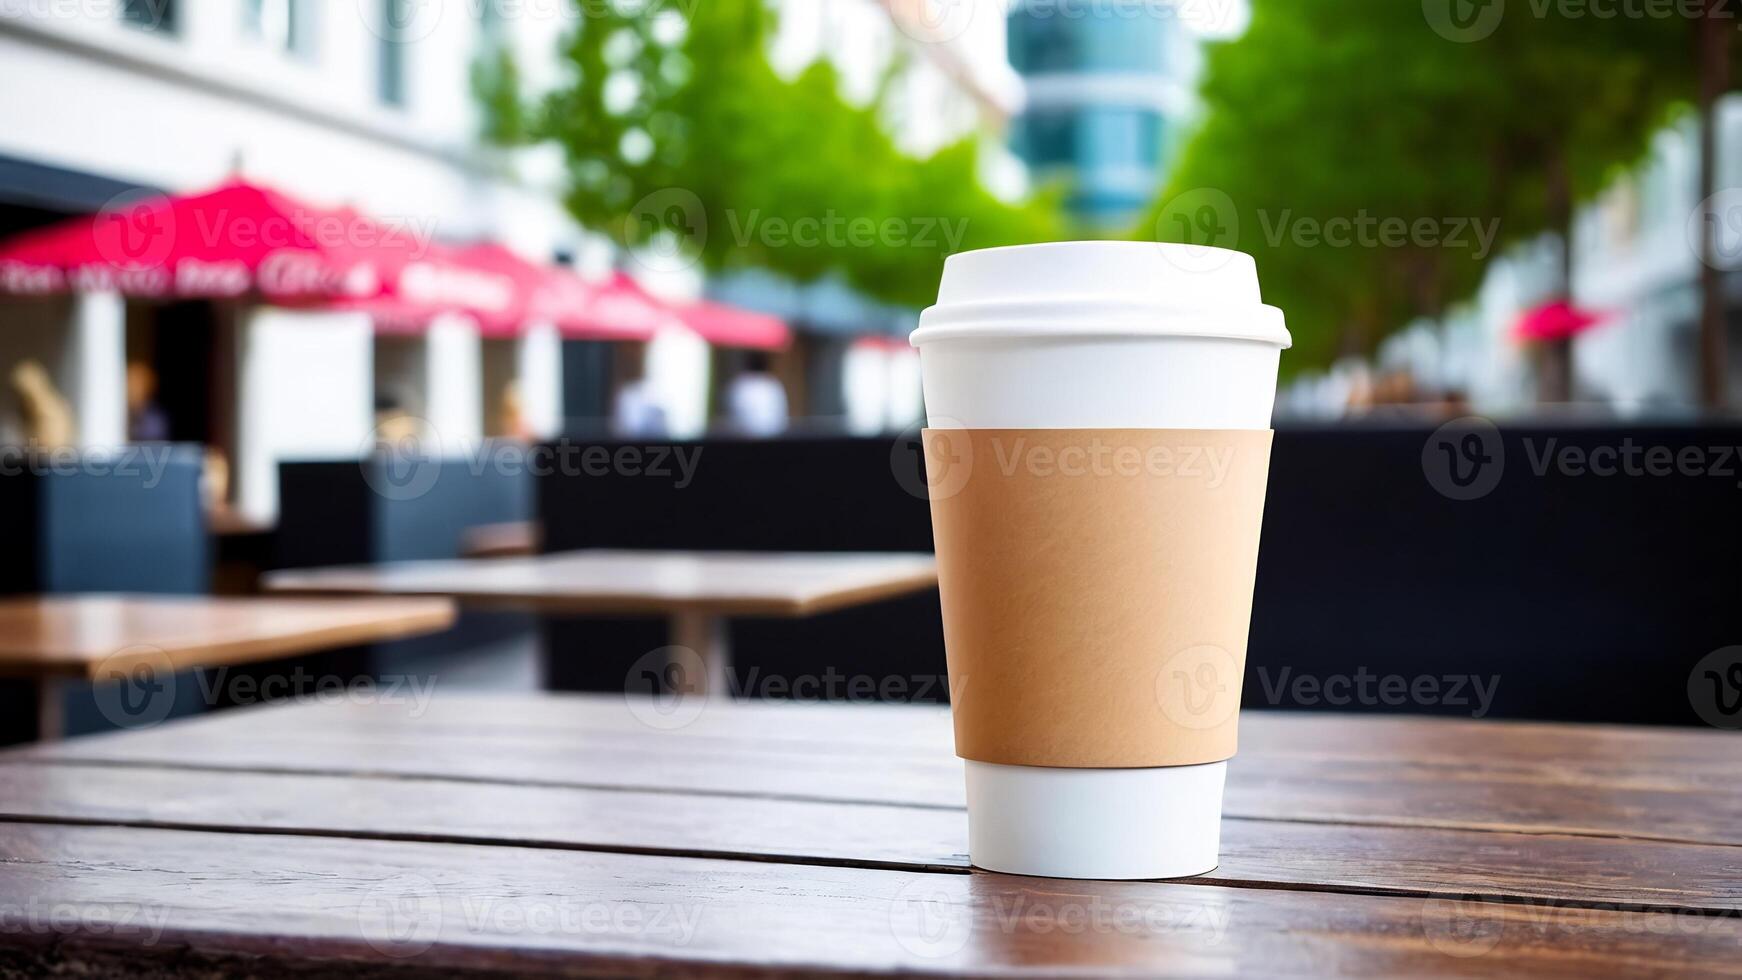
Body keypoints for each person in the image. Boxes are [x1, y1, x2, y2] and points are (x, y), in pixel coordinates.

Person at [725, 351, 788, 437]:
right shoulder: (773, 383)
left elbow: (732, 416)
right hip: (771, 437)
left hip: (743, 438)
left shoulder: (740, 384)